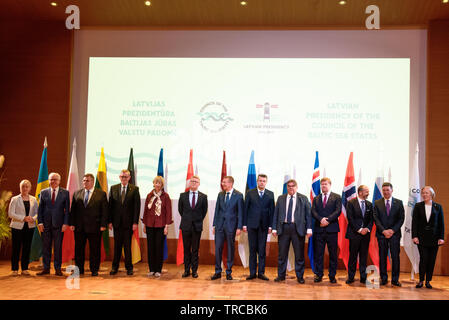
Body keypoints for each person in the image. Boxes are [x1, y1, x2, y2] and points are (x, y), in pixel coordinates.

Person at [272, 179, 312, 283]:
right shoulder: (281, 198)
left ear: (296, 187)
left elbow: (308, 215)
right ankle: (281, 275)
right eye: (289, 186)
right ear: (287, 188)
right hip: (283, 228)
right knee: (282, 255)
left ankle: (300, 276)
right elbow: (276, 214)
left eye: (293, 186)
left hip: (297, 229)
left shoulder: (303, 198)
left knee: (299, 255)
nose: (291, 187)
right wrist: (274, 228)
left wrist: (309, 228)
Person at [69, 173, 108, 276]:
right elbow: (73, 210)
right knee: (79, 249)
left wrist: (103, 224)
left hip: (95, 227)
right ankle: (79, 269)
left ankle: (94, 269)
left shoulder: (101, 194)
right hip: (79, 227)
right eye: (84, 180)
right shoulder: (77, 193)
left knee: (95, 250)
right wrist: (72, 223)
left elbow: (105, 211)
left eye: (87, 181)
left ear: (93, 182)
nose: (85, 182)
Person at [108, 169, 141, 276]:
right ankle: (115, 267)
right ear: (119, 177)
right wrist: (109, 221)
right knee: (117, 246)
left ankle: (129, 268)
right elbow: (110, 206)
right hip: (116, 223)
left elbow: (137, 207)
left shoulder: (134, 189)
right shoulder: (113, 188)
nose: (124, 178)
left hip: (129, 224)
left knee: (127, 247)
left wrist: (135, 222)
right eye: (122, 176)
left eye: (126, 177)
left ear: (129, 178)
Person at [37, 172, 70, 276]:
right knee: (46, 247)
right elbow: (40, 209)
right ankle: (46, 268)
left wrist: (65, 223)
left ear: (59, 181)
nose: (53, 181)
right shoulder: (43, 192)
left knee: (57, 247)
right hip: (45, 225)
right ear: (49, 180)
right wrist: (40, 222)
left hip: (59, 225)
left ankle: (57, 268)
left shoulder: (65, 193)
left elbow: (67, 210)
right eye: (51, 179)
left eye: (55, 179)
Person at [211, 176, 244, 280]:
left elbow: (240, 213)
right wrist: (214, 225)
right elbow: (217, 211)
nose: (223, 184)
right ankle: (217, 271)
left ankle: (229, 272)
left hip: (231, 227)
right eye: (222, 182)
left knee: (230, 249)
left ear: (231, 183)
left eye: (224, 182)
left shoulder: (238, 195)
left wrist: (239, 227)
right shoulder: (220, 194)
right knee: (218, 249)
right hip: (220, 226)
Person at [243, 174, 275, 281]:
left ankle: (261, 272)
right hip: (251, 225)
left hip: (264, 226)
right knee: (252, 250)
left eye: (264, 181)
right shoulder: (250, 193)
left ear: (266, 182)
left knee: (262, 250)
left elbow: (272, 212)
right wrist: (244, 224)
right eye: (260, 180)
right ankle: (252, 273)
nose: (262, 182)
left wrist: (271, 226)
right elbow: (245, 209)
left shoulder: (270, 194)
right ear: (257, 181)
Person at [412, 186, 445, 289]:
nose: (424, 195)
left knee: (431, 260)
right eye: (423, 193)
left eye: (427, 193)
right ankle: (421, 280)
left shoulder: (438, 207)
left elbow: (441, 224)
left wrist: (441, 237)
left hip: (434, 239)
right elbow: (415, 223)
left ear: (431, 194)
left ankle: (428, 281)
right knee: (424, 259)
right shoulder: (418, 206)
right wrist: (414, 236)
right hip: (421, 238)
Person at [373, 182, 405, 286]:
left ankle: (395, 280)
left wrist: (392, 230)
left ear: (392, 190)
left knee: (395, 257)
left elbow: (401, 219)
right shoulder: (377, 203)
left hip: (394, 235)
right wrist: (383, 231)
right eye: (384, 190)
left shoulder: (399, 203)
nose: (386, 192)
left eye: (387, 190)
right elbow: (376, 219)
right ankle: (384, 278)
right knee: (382, 257)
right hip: (382, 234)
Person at [311, 177, 342, 283]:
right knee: (318, 254)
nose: (323, 186)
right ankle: (318, 275)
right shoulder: (316, 198)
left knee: (333, 254)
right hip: (319, 229)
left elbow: (338, 211)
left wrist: (327, 220)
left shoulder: (337, 197)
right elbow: (313, 211)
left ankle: (332, 275)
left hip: (332, 229)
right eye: (322, 184)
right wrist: (321, 219)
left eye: (325, 184)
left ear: (330, 185)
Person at [142, 176, 173, 277]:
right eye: (156, 183)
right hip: (150, 225)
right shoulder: (149, 196)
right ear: (153, 184)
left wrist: (166, 226)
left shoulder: (166, 196)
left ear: (162, 185)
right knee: (150, 247)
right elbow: (146, 211)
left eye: (159, 183)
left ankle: (158, 269)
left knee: (159, 247)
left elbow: (168, 212)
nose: (157, 185)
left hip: (161, 225)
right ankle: (152, 269)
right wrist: (145, 225)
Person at [178, 175, 207, 278]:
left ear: (199, 184)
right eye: (192, 181)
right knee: (186, 249)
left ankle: (194, 270)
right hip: (186, 226)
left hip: (197, 227)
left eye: (196, 181)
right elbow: (181, 210)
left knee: (195, 250)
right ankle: (186, 270)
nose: (194, 183)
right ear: (189, 183)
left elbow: (204, 212)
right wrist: (188, 219)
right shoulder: (182, 196)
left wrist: (196, 220)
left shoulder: (203, 197)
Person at [8, 179, 38, 276]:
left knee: (27, 248)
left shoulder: (33, 199)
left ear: (30, 188)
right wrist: (23, 218)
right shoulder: (15, 199)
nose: (25, 188)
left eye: (27, 186)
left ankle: (25, 268)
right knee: (16, 248)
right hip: (17, 227)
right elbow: (10, 214)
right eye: (23, 187)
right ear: (20, 188)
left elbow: (38, 213)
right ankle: (14, 269)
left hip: (30, 227)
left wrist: (33, 218)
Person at [345, 185, 373, 284]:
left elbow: (371, 220)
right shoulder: (351, 203)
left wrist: (367, 229)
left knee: (363, 257)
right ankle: (351, 277)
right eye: (366, 191)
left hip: (366, 235)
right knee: (353, 256)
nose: (368, 193)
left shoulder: (369, 204)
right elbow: (350, 218)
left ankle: (363, 277)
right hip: (354, 234)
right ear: (360, 192)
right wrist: (360, 229)